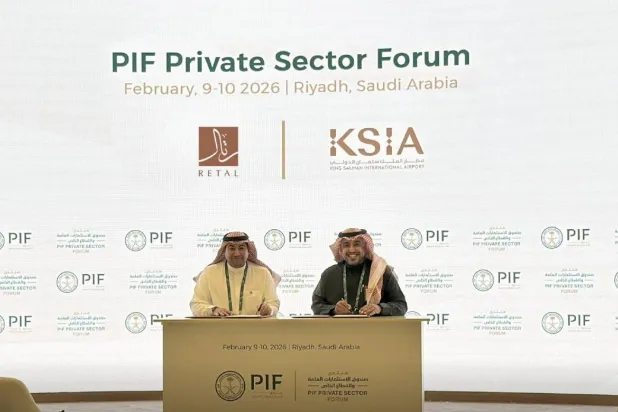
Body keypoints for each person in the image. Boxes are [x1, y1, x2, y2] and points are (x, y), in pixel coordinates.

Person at [311, 228, 407, 316]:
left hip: (374, 328)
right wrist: (333, 310)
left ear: (365, 247)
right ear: (340, 249)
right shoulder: (329, 274)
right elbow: (316, 305)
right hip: (338, 328)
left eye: (357, 244)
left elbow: (401, 305)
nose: (352, 249)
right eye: (346, 245)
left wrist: (379, 308)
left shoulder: (382, 271)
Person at [190, 231, 281, 317]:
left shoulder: (263, 273)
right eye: (232, 248)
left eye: (241, 248)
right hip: (219, 327)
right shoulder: (209, 273)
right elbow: (196, 305)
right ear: (224, 251)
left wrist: (270, 309)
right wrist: (213, 310)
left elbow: (273, 303)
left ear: (248, 251)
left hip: (253, 327)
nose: (237, 253)